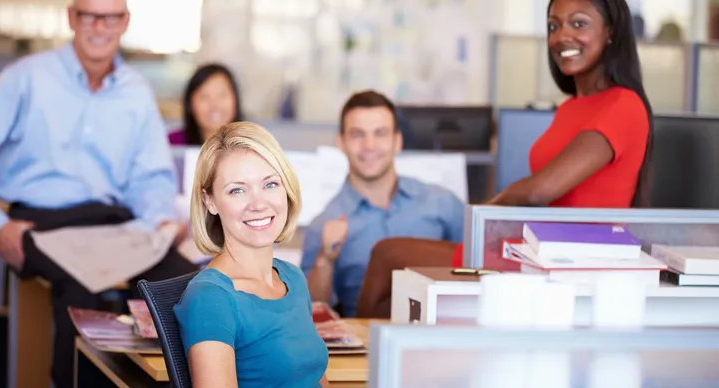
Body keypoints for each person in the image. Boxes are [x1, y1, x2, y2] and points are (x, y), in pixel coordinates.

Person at [0, 0, 198, 386]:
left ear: (125, 22)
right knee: (83, 292)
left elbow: (151, 179)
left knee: (188, 287)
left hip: (114, 222)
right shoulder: (28, 77)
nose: (100, 27)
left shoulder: (135, 93)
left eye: (111, 16)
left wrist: (161, 221)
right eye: (89, 15)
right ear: (71, 18)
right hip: (41, 221)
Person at [174, 122, 329, 387]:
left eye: (270, 185)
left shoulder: (292, 278)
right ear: (210, 201)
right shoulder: (211, 299)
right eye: (237, 190)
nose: (258, 204)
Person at [300, 90, 465, 318]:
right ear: (341, 142)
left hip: (443, 334)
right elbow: (310, 312)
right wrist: (324, 260)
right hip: (367, 344)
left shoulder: (442, 203)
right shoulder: (324, 225)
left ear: (397, 141)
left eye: (380, 133)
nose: (369, 145)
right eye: (358, 134)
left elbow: (484, 269)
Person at [488, 0, 653, 208]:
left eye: (578, 24)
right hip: (541, 236)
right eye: (554, 26)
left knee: (439, 204)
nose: (561, 37)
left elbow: (538, 192)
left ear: (610, 32)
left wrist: (484, 210)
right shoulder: (568, 107)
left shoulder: (624, 106)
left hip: (583, 240)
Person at [168, 63, 244, 145]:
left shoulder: (253, 143)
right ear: (190, 103)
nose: (214, 105)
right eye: (204, 97)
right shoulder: (172, 143)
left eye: (222, 95)